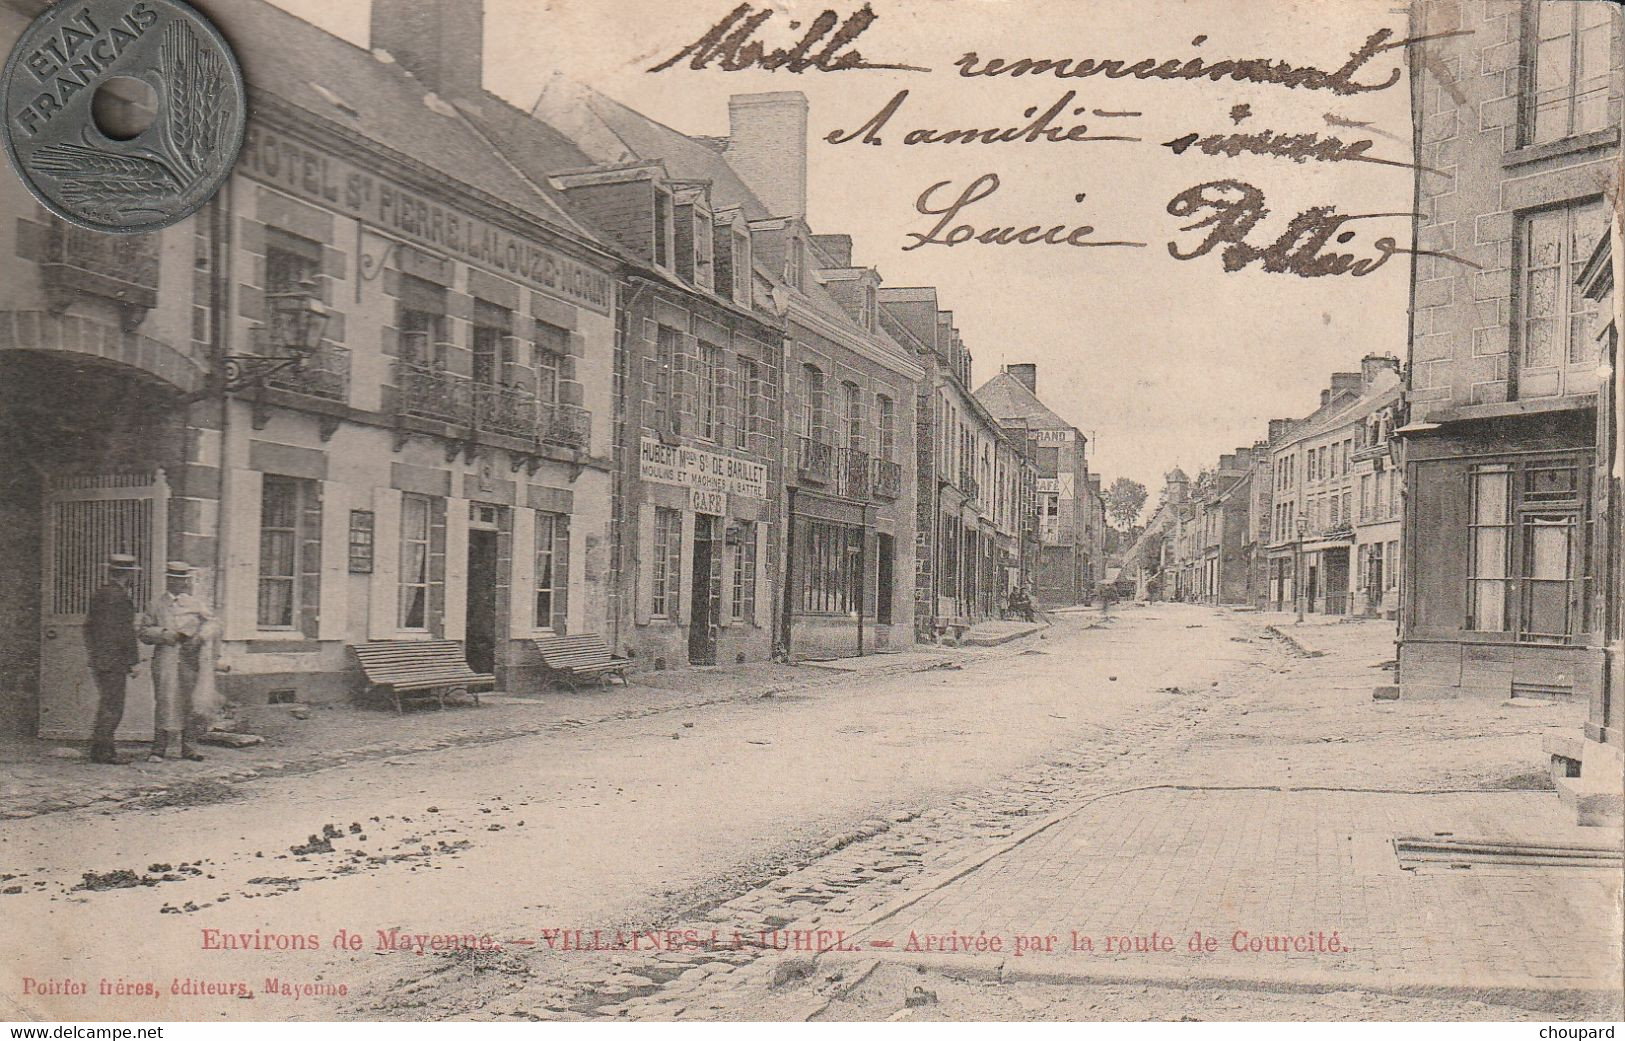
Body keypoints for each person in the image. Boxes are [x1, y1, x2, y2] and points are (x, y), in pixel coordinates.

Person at [140, 561, 213, 762]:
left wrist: (199, 636)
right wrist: (164, 634)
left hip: (189, 658)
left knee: (190, 701)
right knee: (164, 701)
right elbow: (143, 632)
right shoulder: (155, 605)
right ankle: (158, 749)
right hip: (165, 658)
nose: (179, 584)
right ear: (168, 580)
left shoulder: (196, 604)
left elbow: (213, 624)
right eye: (174, 580)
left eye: (182, 580)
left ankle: (189, 748)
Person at [85, 553, 141, 765]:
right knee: (113, 706)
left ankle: (102, 749)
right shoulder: (118, 597)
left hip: (101, 658)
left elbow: (88, 628)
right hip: (114, 660)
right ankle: (103, 752)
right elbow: (124, 632)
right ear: (127, 574)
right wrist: (132, 661)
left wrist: (95, 652)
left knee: (107, 704)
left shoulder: (100, 593)